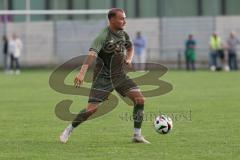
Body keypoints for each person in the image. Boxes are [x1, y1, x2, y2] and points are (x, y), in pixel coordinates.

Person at [60, 8, 150, 144]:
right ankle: (69, 129)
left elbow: (130, 47)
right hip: (103, 77)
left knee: (140, 100)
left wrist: (129, 59)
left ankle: (137, 135)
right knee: (92, 110)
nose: (125, 21)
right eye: (122, 19)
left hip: (119, 75)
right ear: (112, 20)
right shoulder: (103, 36)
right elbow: (91, 54)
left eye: (125, 18)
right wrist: (82, 73)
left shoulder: (123, 34)